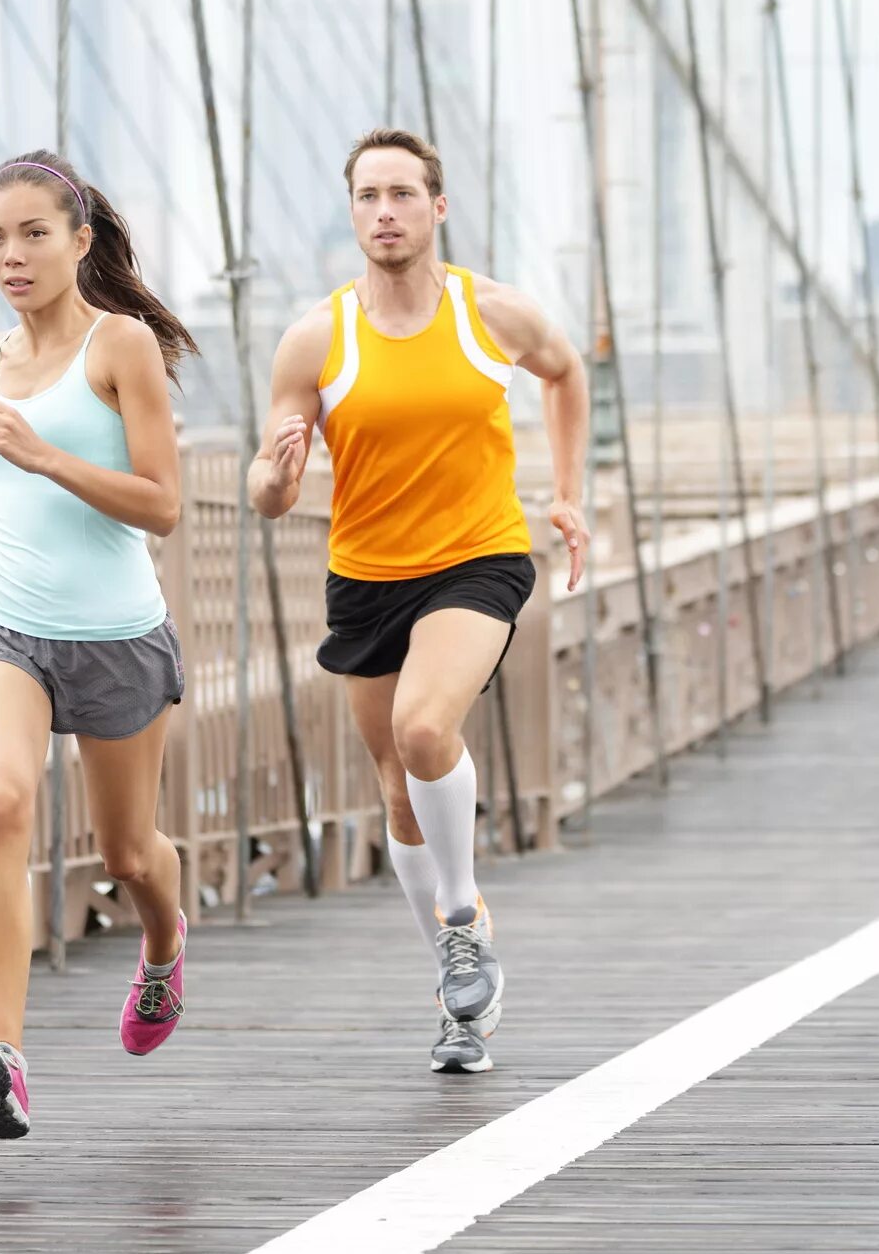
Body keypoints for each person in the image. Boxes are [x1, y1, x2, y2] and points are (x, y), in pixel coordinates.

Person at [251, 128, 589, 1075]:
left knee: (425, 731)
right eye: (367, 197)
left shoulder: (491, 315)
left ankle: (461, 915)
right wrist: (274, 481)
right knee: (396, 788)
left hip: (476, 560)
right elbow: (267, 484)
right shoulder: (317, 336)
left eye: (403, 194)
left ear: (437, 207)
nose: (385, 212)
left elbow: (566, 373)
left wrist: (566, 491)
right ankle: (458, 995)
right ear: (351, 212)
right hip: (365, 576)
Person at [0, 151, 197, 1139]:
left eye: (35, 233)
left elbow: (160, 503)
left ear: (81, 241)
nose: (13, 254)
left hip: (118, 633)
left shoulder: (121, 346)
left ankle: (164, 943)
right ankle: (6, 1054)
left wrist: (40, 451)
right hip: (4, 620)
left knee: (127, 851)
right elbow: (7, 455)